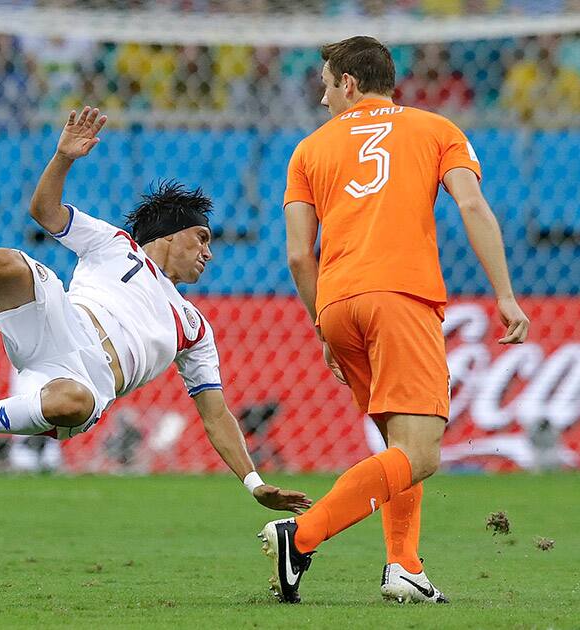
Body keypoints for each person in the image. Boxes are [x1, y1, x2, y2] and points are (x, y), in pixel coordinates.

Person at [0, 105, 311, 516]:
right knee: (6, 261)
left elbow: (216, 413)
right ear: (173, 232)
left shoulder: (195, 327)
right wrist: (62, 158)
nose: (208, 252)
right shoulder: (114, 244)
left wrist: (254, 483)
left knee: (72, 403)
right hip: (60, 324)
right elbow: (45, 212)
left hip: (90, 383)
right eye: (202, 238)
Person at [262, 36, 530, 604]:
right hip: (400, 296)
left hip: (336, 303)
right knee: (424, 453)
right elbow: (473, 206)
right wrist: (504, 294)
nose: (322, 99)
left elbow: (296, 254)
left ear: (350, 84)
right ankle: (301, 536)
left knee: (397, 445)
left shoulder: (307, 150)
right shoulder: (437, 130)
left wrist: (321, 325)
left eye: (326, 86)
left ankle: (404, 566)